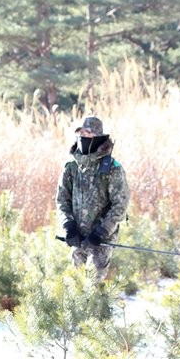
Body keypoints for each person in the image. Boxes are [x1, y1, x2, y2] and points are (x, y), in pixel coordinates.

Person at [55, 116, 130, 277]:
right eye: (80, 133)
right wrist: (68, 226)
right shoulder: (71, 167)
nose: (83, 137)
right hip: (78, 237)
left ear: (97, 137)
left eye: (88, 133)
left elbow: (120, 205)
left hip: (101, 240)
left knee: (92, 286)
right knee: (78, 285)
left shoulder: (112, 168)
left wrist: (101, 232)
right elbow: (62, 200)